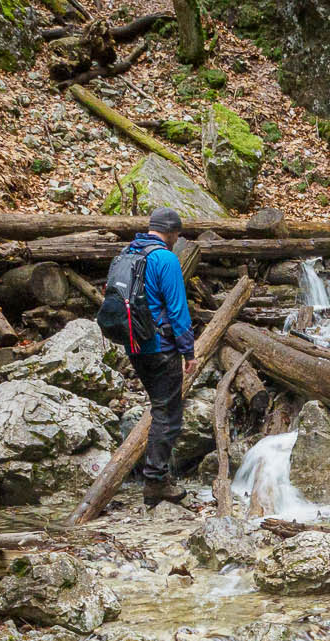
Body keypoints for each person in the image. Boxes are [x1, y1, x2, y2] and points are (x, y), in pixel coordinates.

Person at [127, 207, 197, 508]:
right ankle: (155, 481)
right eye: (177, 234)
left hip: (134, 345)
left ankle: (157, 477)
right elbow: (178, 308)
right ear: (171, 232)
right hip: (160, 347)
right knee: (167, 414)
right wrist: (188, 350)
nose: (177, 238)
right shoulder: (165, 258)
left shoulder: (129, 254)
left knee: (160, 410)